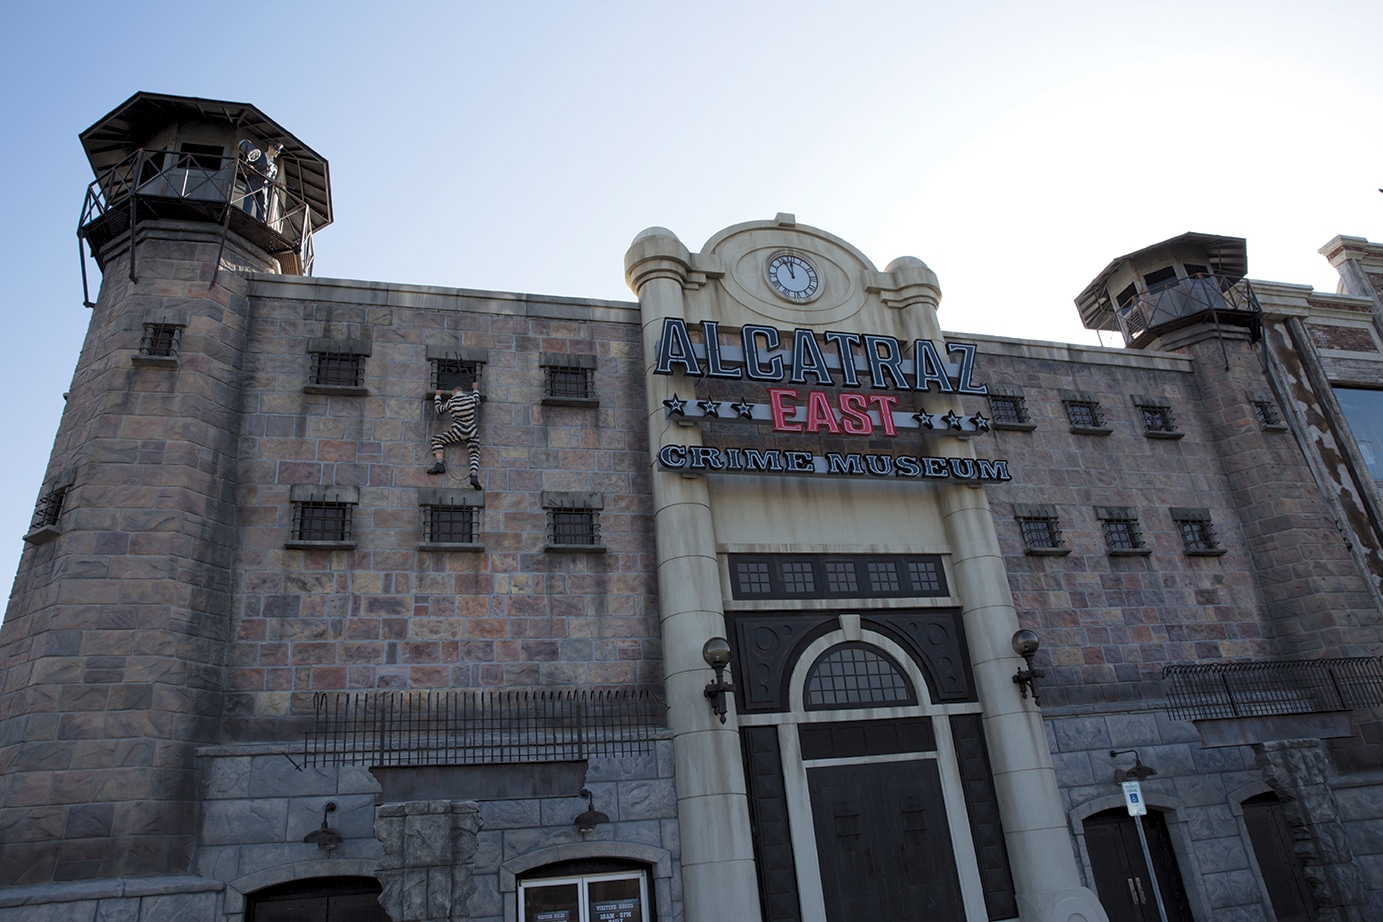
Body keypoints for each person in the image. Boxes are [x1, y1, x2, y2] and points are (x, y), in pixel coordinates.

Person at [429, 381, 482, 489]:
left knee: (436, 439)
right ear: (461, 391)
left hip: (458, 431)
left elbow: (439, 410)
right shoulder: (470, 399)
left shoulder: (451, 402)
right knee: (474, 453)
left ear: (454, 392)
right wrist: (475, 388)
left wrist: (437, 396)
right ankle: (474, 475)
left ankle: (439, 463)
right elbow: (477, 399)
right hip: (472, 430)